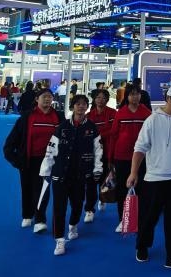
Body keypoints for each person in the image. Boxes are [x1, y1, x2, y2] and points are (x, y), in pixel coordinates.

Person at [129, 83, 171, 271]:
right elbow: (140, 148)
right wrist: (133, 172)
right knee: (148, 217)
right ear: (168, 98)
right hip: (155, 177)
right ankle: (142, 245)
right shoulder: (152, 120)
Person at [40, 94, 102, 256]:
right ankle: (59, 239)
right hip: (60, 174)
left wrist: (97, 168)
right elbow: (50, 149)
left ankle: (73, 225)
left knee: (77, 205)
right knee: (59, 208)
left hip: (80, 175)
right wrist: (46, 170)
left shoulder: (92, 128)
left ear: (87, 107)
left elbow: (98, 150)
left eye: (84, 104)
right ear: (73, 106)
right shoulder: (62, 127)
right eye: (78, 104)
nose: (81, 107)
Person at [3, 88, 64, 234]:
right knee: (27, 188)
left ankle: (40, 220)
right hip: (29, 160)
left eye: (50, 97)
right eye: (44, 97)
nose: (47, 99)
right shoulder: (27, 117)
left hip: (49, 161)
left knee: (42, 190)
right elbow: (13, 140)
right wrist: (15, 159)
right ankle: (27, 215)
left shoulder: (59, 116)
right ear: (37, 99)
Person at [109, 84, 152, 232]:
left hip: (142, 157)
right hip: (122, 156)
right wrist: (110, 159)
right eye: (132, 94)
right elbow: (113, 136)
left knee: (142, 189)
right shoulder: (120, 113)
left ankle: (138, 219)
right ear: (127, 96)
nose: (135, 97)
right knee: (122, 188)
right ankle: (123, 219)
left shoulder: (147, 113)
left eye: (137, 94)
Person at [85, 88, 116, 220]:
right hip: (92, 154)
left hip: (108, 152)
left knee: (104, 179)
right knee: (91, 182)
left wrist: (98, 136)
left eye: (103, 98)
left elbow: (114, 131)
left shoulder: (113, 113)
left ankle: (103, 199)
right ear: (94, 99)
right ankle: (89, 210)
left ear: (107, 100)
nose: (100, 100)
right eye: (98, 97)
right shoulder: (89, 115)